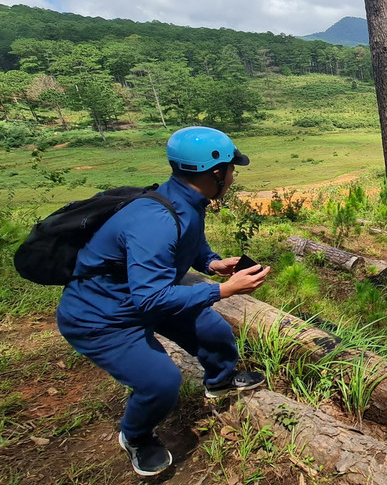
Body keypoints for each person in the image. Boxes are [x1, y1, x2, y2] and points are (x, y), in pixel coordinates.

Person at [56, 126, 271, 476]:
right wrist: (222, 290)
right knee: (161, 383)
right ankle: (136, 436)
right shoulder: (154, 220)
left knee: (213, 330)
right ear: (216, 173)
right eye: (232, 169)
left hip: (144, 296)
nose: (233, 175)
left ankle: (219, 380)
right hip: (102, 317)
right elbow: (151, 298)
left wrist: (211, 263)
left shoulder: (185, 199)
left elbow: (190, 242)